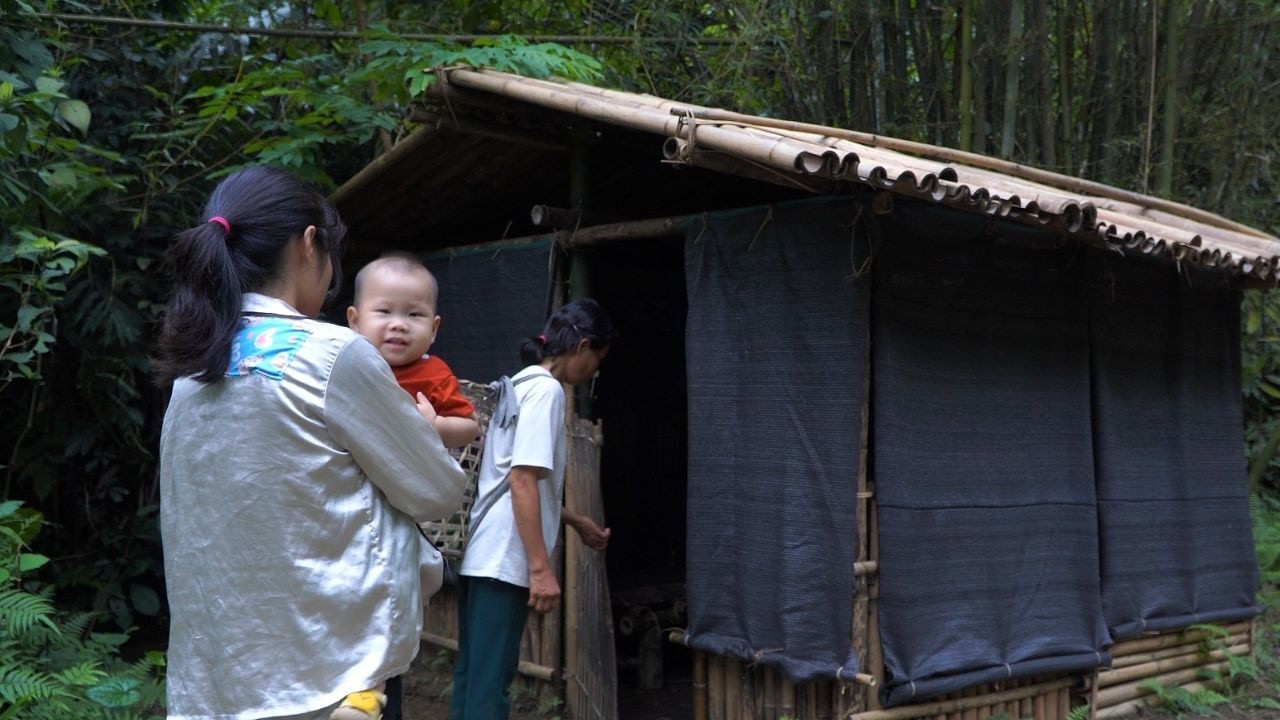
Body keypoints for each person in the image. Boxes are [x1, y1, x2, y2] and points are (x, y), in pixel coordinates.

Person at [155, 166, 467, 720]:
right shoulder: (330, 353)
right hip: (334, 675)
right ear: (307, 244)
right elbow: (436, 491)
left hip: (219, 678)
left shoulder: (194, 369)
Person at [449, 298, 617, 720]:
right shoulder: (546, 391)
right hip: (504, 559)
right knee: (491, 689)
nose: (594, 371)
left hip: (480, 555)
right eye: (597, 359)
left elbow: (506, 480)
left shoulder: (518, 383)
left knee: (473, 678)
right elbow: (522, 480)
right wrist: (540, 570)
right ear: (582, 348)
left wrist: (574, 521)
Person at [346, 252, 480, 449]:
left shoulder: (435, 375)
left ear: (433, 329)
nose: (399, 324)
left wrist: (435, 426)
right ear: (355, 321)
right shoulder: (345, 363)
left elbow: (470, 427)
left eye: (414, 314)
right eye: (384, 311)